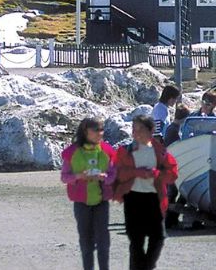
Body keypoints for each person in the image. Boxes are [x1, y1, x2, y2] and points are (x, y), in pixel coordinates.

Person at [115, 114, 179, 270]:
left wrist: (156, 174)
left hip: (154, 198)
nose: (136, 133)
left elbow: (173, 174)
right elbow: (117, 174)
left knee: (158, 237)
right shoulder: (126, 151)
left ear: (151, 131)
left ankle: (146, 267)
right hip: (133, 197)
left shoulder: (160, 151)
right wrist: (138, 172)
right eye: (133, 129)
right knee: (136, 240)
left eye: (140, 129)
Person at [61, 117, 117, 270]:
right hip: (81, 202)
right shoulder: (72, 152)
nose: (100, 133)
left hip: (101, 201)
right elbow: (64, 177)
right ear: (86, 132)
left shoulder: (107, 151)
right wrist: (79, 177)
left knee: (103, 242)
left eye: (101, 129)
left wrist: (104, 178)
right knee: (86, 242)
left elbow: (113, 174)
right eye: (96, 130)